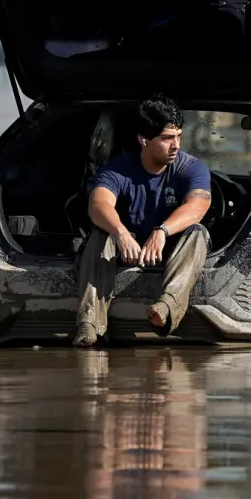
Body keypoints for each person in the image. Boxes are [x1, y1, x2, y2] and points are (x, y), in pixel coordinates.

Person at [73, 96, 212, 347]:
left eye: (179, 136)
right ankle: (89, 325)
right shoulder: (118, 170)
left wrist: (163, 231)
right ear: (144, 140)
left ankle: (167, 306)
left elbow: (198, 205)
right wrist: (121, 234)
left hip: (170, 247)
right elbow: (98, 205)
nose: (175, 145)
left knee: (198, 233)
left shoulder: (191, 168)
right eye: (167, 138)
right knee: (99, 236)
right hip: (127, 246)